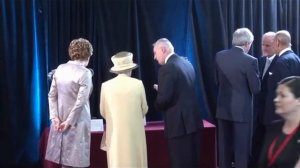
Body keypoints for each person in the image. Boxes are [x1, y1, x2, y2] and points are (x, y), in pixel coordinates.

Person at [152, 38, 202, 168]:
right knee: (192, 162)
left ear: (163, 49)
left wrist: (157, 101)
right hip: (192, 122)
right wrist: (163, 89)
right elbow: (183, 89)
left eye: (155, 53)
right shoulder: (187, 63)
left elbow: (164, 100)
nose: (154, 57)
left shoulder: (167, 68)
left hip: (178, 125)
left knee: (179, 163)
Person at [215, 28, 260, 168]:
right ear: (247, 43)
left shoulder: (219, 56)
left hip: (223, 110)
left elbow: (216, 80)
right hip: (241, 112)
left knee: (224, 150)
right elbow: (256, 89)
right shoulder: (251, 61)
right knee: (241, 150)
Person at [45, 38, 94, 168]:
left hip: (60, 120)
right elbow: (80, 102)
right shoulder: (85, 73)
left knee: (65, 161)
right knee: (76, 160)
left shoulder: (60, 69)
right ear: (88, 54)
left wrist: (54, 117)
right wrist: (69, 122)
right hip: (77, 121)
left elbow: (51, 95)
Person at [99, 51, 148, 168]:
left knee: (117, 160)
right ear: (130, 68)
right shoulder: (138, 84)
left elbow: (103, 111)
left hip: (115, 132)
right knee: (136, 159)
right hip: (135, 131)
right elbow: (144, 108)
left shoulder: (105, 86)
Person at [259, 76, 300, 168]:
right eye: (277, 95)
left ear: (298, 100)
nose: (276, 99)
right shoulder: (274, 127)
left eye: (283, 95)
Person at [250, 32, 278, 167]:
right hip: (258, 112)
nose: (264, 48)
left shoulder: (281, 62)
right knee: (256, 142)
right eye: (262, 44)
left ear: (276, 45)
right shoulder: (259, 61)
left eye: (268, 45)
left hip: (272, 113)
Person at [263, 30, 300, 126]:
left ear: (278, 43)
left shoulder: (281, 62)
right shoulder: (296, 58)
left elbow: (282, 89)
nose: (272, 46)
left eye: (273, 43)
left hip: (277, 114)